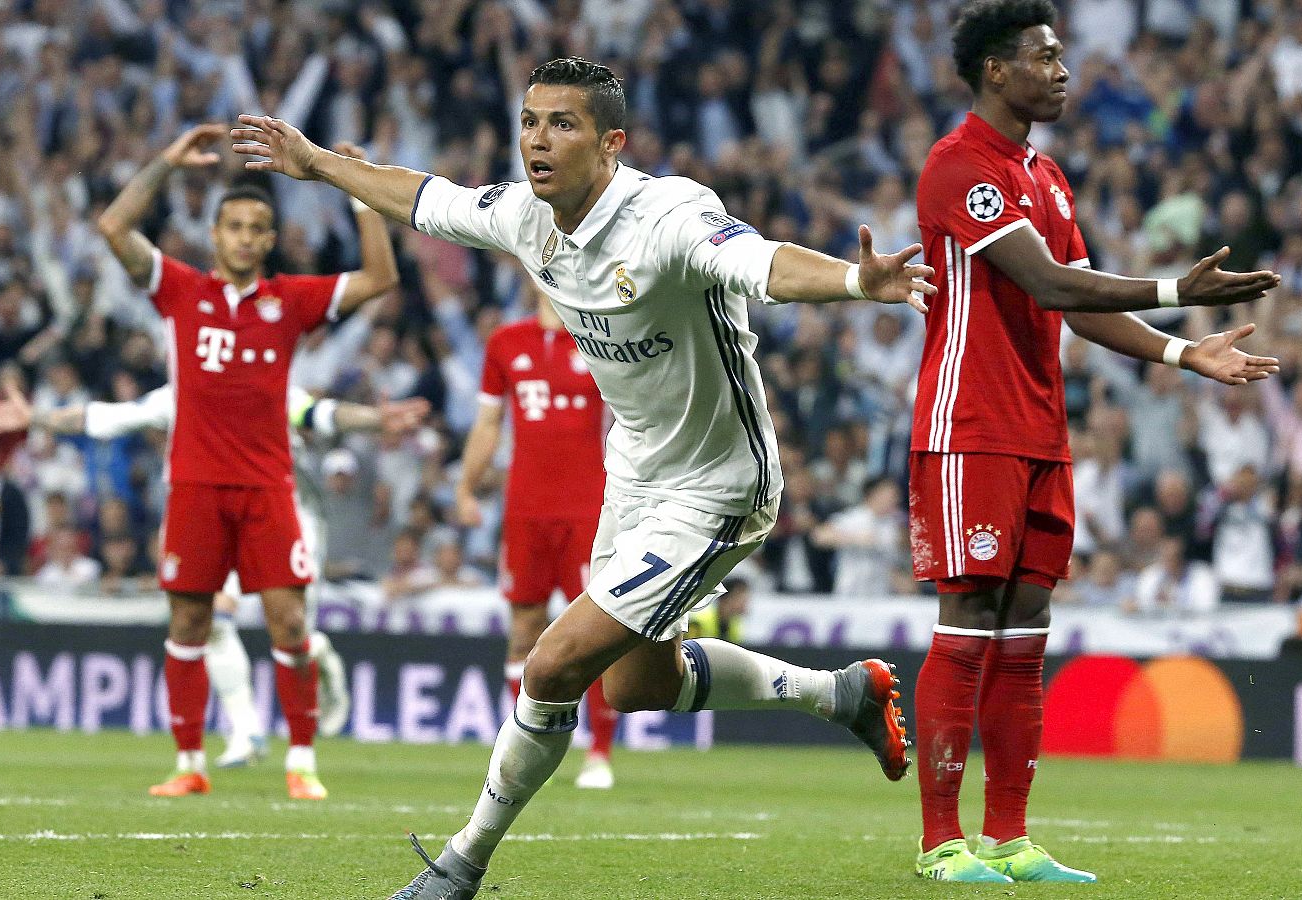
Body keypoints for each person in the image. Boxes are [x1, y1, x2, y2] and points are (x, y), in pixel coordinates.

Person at [233, 56, 931, 899]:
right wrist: (316, 162)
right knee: (638, 684)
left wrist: (858, 280)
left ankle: (461, 866)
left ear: (611, 145)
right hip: (634, 473)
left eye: (562, 125)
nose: (538, 139)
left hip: (718, 482)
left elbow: (764, 264)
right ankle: (844, 693)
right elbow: (423, 197)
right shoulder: (527, 216)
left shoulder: (669, 215)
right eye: (530, 121)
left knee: (551, 665)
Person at [908, 0, 1281, 884]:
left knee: (1027, 629)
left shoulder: (1047, 176)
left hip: (1040, 427)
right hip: (971, 427)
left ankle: (1009, 836)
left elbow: (1074, 297)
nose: (1063, 68)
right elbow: (1051, 283)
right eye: (1045, 55)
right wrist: (1171, 286)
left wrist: (1187, 350)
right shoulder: (961, 167)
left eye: (1062, 53)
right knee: (967, 622)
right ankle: (939, 844)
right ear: (997, 70)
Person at [95, 125, 398, 799]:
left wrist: (358, 194)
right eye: (232, 224)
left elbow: (381, 277)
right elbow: (113, 226)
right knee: (188, 625)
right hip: (196, 487)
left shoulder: (288, 301)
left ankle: (302, 763)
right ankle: (188, 766)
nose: (243, 236)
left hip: (267, 488)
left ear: (268, 240)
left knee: (291, 625)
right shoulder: (180, 292)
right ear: (216, 234)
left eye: (256, 226)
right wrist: (165, 164)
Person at [0, 378, 428, 768]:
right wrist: (37, 418)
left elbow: (322, 413)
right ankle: (247, 730)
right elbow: (103, 418)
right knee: (214, 618)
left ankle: (321, 655)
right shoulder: (182, 392)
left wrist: (374, 419)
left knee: (292, 630)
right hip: (220, 514)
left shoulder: (265, 382)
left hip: (289, 514)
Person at [455, 287, 620, 791]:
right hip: (525, 508)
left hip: (587, 507)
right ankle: (524, 743)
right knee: (523, 627)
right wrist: (464, 486)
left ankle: (599, 752)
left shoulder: (602, 334)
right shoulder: (505, 342)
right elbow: (488, 424)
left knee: (595, 631)